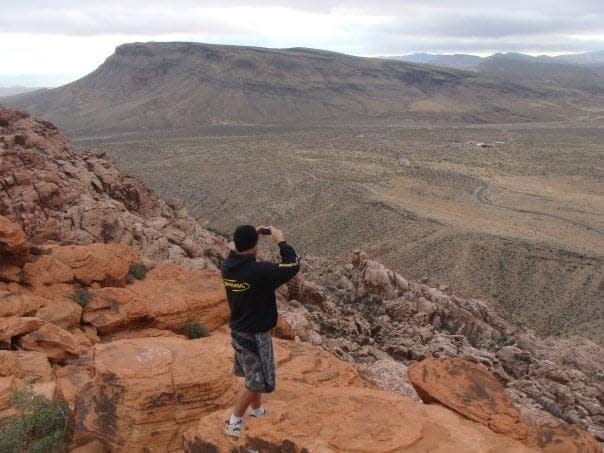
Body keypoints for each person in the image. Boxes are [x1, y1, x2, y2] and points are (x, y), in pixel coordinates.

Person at [222, 224, 300, 438]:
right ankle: (234, 421)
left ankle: (256, 411)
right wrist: (281, 240)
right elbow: (292, 265)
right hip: (255, 334)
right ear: (255, 246)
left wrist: (250, 236)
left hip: (237, 330)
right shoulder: (259, 271)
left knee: (252, 374)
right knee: (258, 380)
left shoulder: (227, 265)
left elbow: (233, 248)